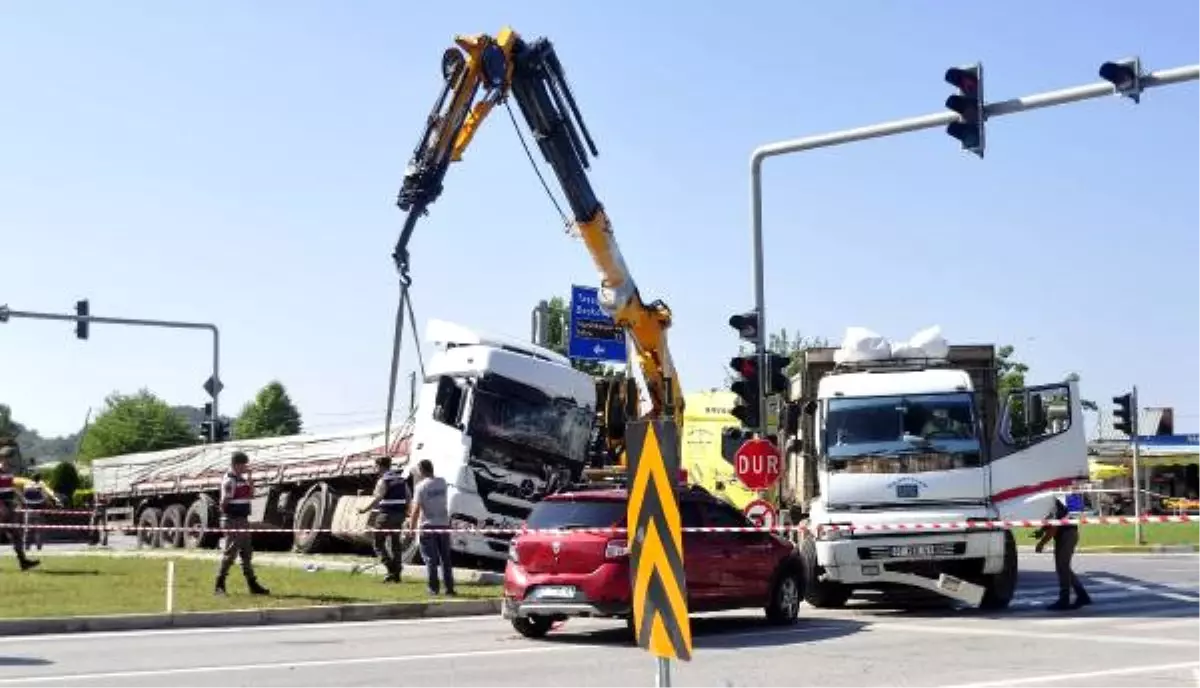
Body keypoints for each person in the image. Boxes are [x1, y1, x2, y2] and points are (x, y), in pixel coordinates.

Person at [215, 451, 269, 596]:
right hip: (233, 519)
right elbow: (224, 500)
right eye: (244, 464)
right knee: (230, 552)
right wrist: (226, 515)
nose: (246, 467)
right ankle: (219, 584)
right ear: (236, 464)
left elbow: (251, 495)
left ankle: (252, 584)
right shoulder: (230, 480)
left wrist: (250, 478)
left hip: (243, 519)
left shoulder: (242, 479)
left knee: (246, 551)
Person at [358, 456, 410, 583]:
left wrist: (364, 509)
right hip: (399, 515)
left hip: (386, 515)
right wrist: (406, 512)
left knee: (378, 543)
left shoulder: (383, 480)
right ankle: (397, 574)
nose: (374, 469)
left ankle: (391, 568)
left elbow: (378, 499)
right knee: (396, 544)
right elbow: (409, 497)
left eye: (375, 466)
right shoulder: (401, 479)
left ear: (380, 466)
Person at [407, 459, 454, 596]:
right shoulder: (442, 482)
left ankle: (433, 588)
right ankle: (449, 588)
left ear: (421, 471)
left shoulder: (420, 487)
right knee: (445, 558)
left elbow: (415, 510)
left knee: (431, 559)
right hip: (443, 525)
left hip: (428, 526)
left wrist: (411, 528)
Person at [1035, 496, 1091, 611]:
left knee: (1062, 568)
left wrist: (1041, 543)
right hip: (1066, 534)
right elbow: (1049, 523)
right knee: (1064, 568)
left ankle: (1064, 600)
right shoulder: (1050, 504)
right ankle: (1082, 595)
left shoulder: (1052, 505)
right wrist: (1041, 531)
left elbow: (1054, 528)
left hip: (1066, 535)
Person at [0, 447, 39, 571]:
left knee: (16, 535)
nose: (14, 460)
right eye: (12, 457)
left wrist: (21, 499)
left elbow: (10, 487)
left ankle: (23, 562)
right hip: (2, 508)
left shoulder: (10, 471)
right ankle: (23, 562)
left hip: (9, 506)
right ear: (5, 458)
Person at [22, 474, 61, 551]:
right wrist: (56, 500)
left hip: (29, 510)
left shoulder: (26, 485)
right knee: (39, 530)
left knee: (28, 530)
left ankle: (26, 546)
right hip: (39, 510)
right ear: (39, 479)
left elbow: (24, 497)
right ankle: (39, 547)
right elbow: (48, 494)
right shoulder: (41, 485)